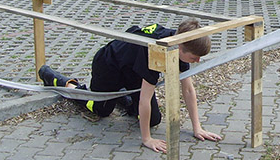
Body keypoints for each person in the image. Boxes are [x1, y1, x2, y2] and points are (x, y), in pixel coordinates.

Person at [39, 18, 221, 153]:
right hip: (109, 65)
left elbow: (188, 89)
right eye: (193, 58)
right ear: (181, 48)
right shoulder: (157, 52)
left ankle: (120, 95)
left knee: (153, 120)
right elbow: (145, 98)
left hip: (132, 71)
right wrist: (147, 139)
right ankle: (57, 79)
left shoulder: (180, 42)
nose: (197, 61)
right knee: (101, 110)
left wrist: (197, 128)